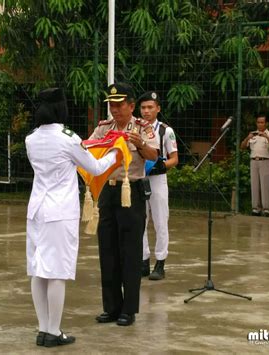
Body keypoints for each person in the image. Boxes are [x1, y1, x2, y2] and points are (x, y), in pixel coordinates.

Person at [25, 87, 120, 347]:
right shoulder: (68, 137)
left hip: (36, 210)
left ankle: (44, 328)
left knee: (38, 269)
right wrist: (115, 151)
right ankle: (54, 331)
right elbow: (96, 167)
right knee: (56, 271)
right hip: (60, 211)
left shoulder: (30, 138)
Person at [89, 83, 159, 326]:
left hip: (132, 191)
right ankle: (111, 306)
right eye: (111, 105)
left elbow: (154, 156)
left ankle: (128, 310)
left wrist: (139, 143)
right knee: (107, 249)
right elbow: (89, 151)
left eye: (119, 105)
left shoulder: (143, 128)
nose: (115, 110)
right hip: (108, 192)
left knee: (130, 251)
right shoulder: (103, 128)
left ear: (131, 106)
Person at [137, 91, 178, 280]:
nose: (146, 111)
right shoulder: (135, 128)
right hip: (139, 178)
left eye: (150, 107)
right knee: (140, 221)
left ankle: (160, 262)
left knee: (161, 221)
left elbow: (175, 159)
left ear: (158, 109)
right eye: (143, 107)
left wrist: (161, 165)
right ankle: (143, 260)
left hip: (158, 179)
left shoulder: (165, 131)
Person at [240, 114, 269, 217]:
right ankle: (255, 209)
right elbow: (242, 147)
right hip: (253, 161)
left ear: (266, 124)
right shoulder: (253, 134)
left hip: (265, 160)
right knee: (254, 185)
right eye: (258, 122)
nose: (260, 124)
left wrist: (266, 137)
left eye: (262, 122)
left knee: (265, 185)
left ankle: (266, 209)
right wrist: (248, 138)